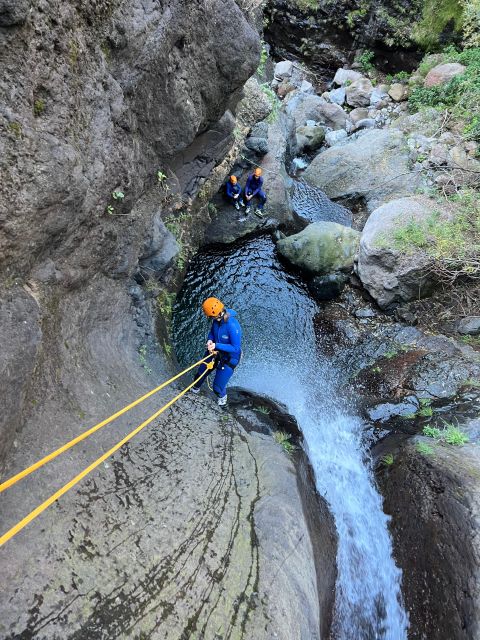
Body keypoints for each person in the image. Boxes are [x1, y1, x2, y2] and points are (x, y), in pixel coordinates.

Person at [191, 297, 242, 406]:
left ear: (217, 314)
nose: (210, 318)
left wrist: (216, 345)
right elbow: (213, 333)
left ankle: (223, 401)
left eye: (211, 316)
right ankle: (194, 391)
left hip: (230, 357)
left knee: (217, 388)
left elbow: (236, 348)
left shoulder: (232, 326)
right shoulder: (217, 320)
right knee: (200, 375)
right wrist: (210, 340)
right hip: (215, 350)